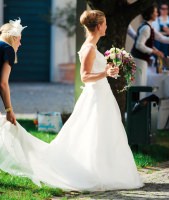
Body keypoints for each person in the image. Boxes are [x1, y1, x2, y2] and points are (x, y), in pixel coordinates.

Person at [0, 10, 143, 191]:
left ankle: (104, 171)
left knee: (104, 135)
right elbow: (84, 76)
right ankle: (92, 173)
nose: (106, 26)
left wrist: (107, 70)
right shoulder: (89, 48)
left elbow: (94, 72)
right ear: (99, 26)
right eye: (105, 23)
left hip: (101, 96)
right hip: (96, 98)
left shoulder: (92, 46)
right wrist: (104, 73)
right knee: (93, 135)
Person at [131, 3, 169, 95]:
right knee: (139, 87)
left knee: (140, 87)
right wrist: (154, 51)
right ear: (150, 14)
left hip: (142, 60)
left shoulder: (149, 27)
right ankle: (136, 107)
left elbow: (163, 39)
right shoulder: (146, 28)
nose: (157, 14)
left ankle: (138, 105)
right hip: (139, 60)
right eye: (155, 12)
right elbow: (139, 45)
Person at [0, 19, 26, 125]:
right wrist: (9, 110)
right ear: (13, 38)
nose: (20, 44)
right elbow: (3, 83)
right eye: (19, 40)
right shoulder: (8, 49)